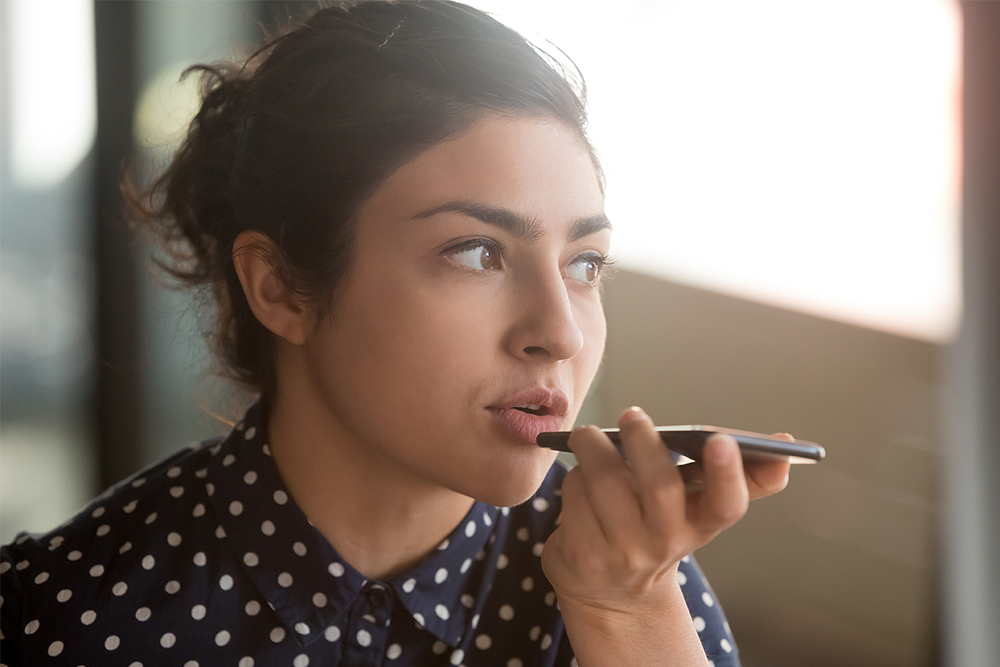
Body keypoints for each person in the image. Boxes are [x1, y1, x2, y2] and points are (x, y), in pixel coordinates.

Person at [0, 1, 792, 665]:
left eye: (585, 264)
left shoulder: (634, 573)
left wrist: (628, 614)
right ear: (279, 289)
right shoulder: (62, 619)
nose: (559, 331)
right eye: (477, 252)